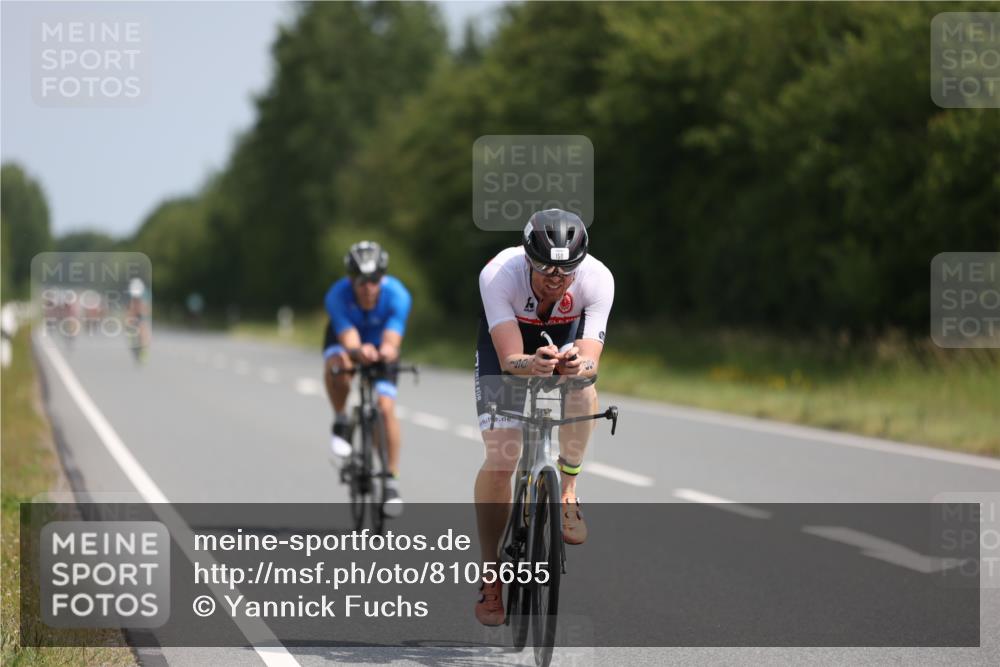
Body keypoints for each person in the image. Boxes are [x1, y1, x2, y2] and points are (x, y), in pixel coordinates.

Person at [473, 209, 614, 625]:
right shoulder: (500, 273)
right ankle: (491, 575)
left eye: (566, 269)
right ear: (527, 257)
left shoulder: (598, 278)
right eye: (545, 268)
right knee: (502, 458)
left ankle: (567, 489)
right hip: (509, 355)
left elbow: (591, 362)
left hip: (562, 348)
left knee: (584, 389)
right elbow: (507, 357)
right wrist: (530, 363)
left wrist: (575, 368)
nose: (556, 277)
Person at [323, 241, 412, 516]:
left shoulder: (397, 294)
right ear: (351, 279)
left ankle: (390, 478)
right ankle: (340, 417)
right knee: (339, 367)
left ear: (382, 277)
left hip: (380, 345)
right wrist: (359, 351)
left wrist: (385, 351)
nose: (368, 287)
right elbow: (349, 339)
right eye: (361, 280)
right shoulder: (337, 295)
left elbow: (392, 340)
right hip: (346, 342)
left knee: (385, 408)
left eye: (374, 279)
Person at [125, 278, 150, 359]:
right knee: (129, 323)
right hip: (133, 311)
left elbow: (146, 309)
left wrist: (143, 315)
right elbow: (129, 308)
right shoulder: (130, 294)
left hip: (142, 312)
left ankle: (144, 349)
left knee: (143, 328)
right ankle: (132, 339)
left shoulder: (146, 294)